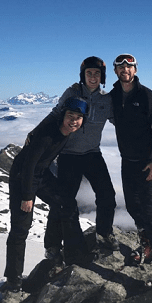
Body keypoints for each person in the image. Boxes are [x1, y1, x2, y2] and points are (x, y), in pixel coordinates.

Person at [3, 96, 90, 293]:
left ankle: (56, 250)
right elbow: (28, 165)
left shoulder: (65, 131)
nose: (74, 120)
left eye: (78, 117)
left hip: (41, 174)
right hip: (22, 178)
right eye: (70, 115)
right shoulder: (48, 134)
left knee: (66, 203)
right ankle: (13, 281)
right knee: (20, 227)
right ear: (63, 116)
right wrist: (27, 196)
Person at [42, 56, 118, 258]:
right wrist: (36, 134)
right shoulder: (72, 93)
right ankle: (53, 245)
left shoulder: (106, 99)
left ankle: (104, 233)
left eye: (97, 73)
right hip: (69, 155)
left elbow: (118, 121)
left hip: (93, 153)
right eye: (89, 73)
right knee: (63, 201)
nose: (93, 77)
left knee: (107, 196)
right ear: (83, 75)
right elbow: (55, 114)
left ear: (102, 77)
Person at [109, 54, 152, 286]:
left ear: (135, 70)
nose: (125, 70)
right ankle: (147, 246)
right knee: (132, 206)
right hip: (127, 161)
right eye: (121, 66)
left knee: (149, 209)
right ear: (116, 71)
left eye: (129, 66)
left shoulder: (147, 96)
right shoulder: (114, 96)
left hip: (147, 162)